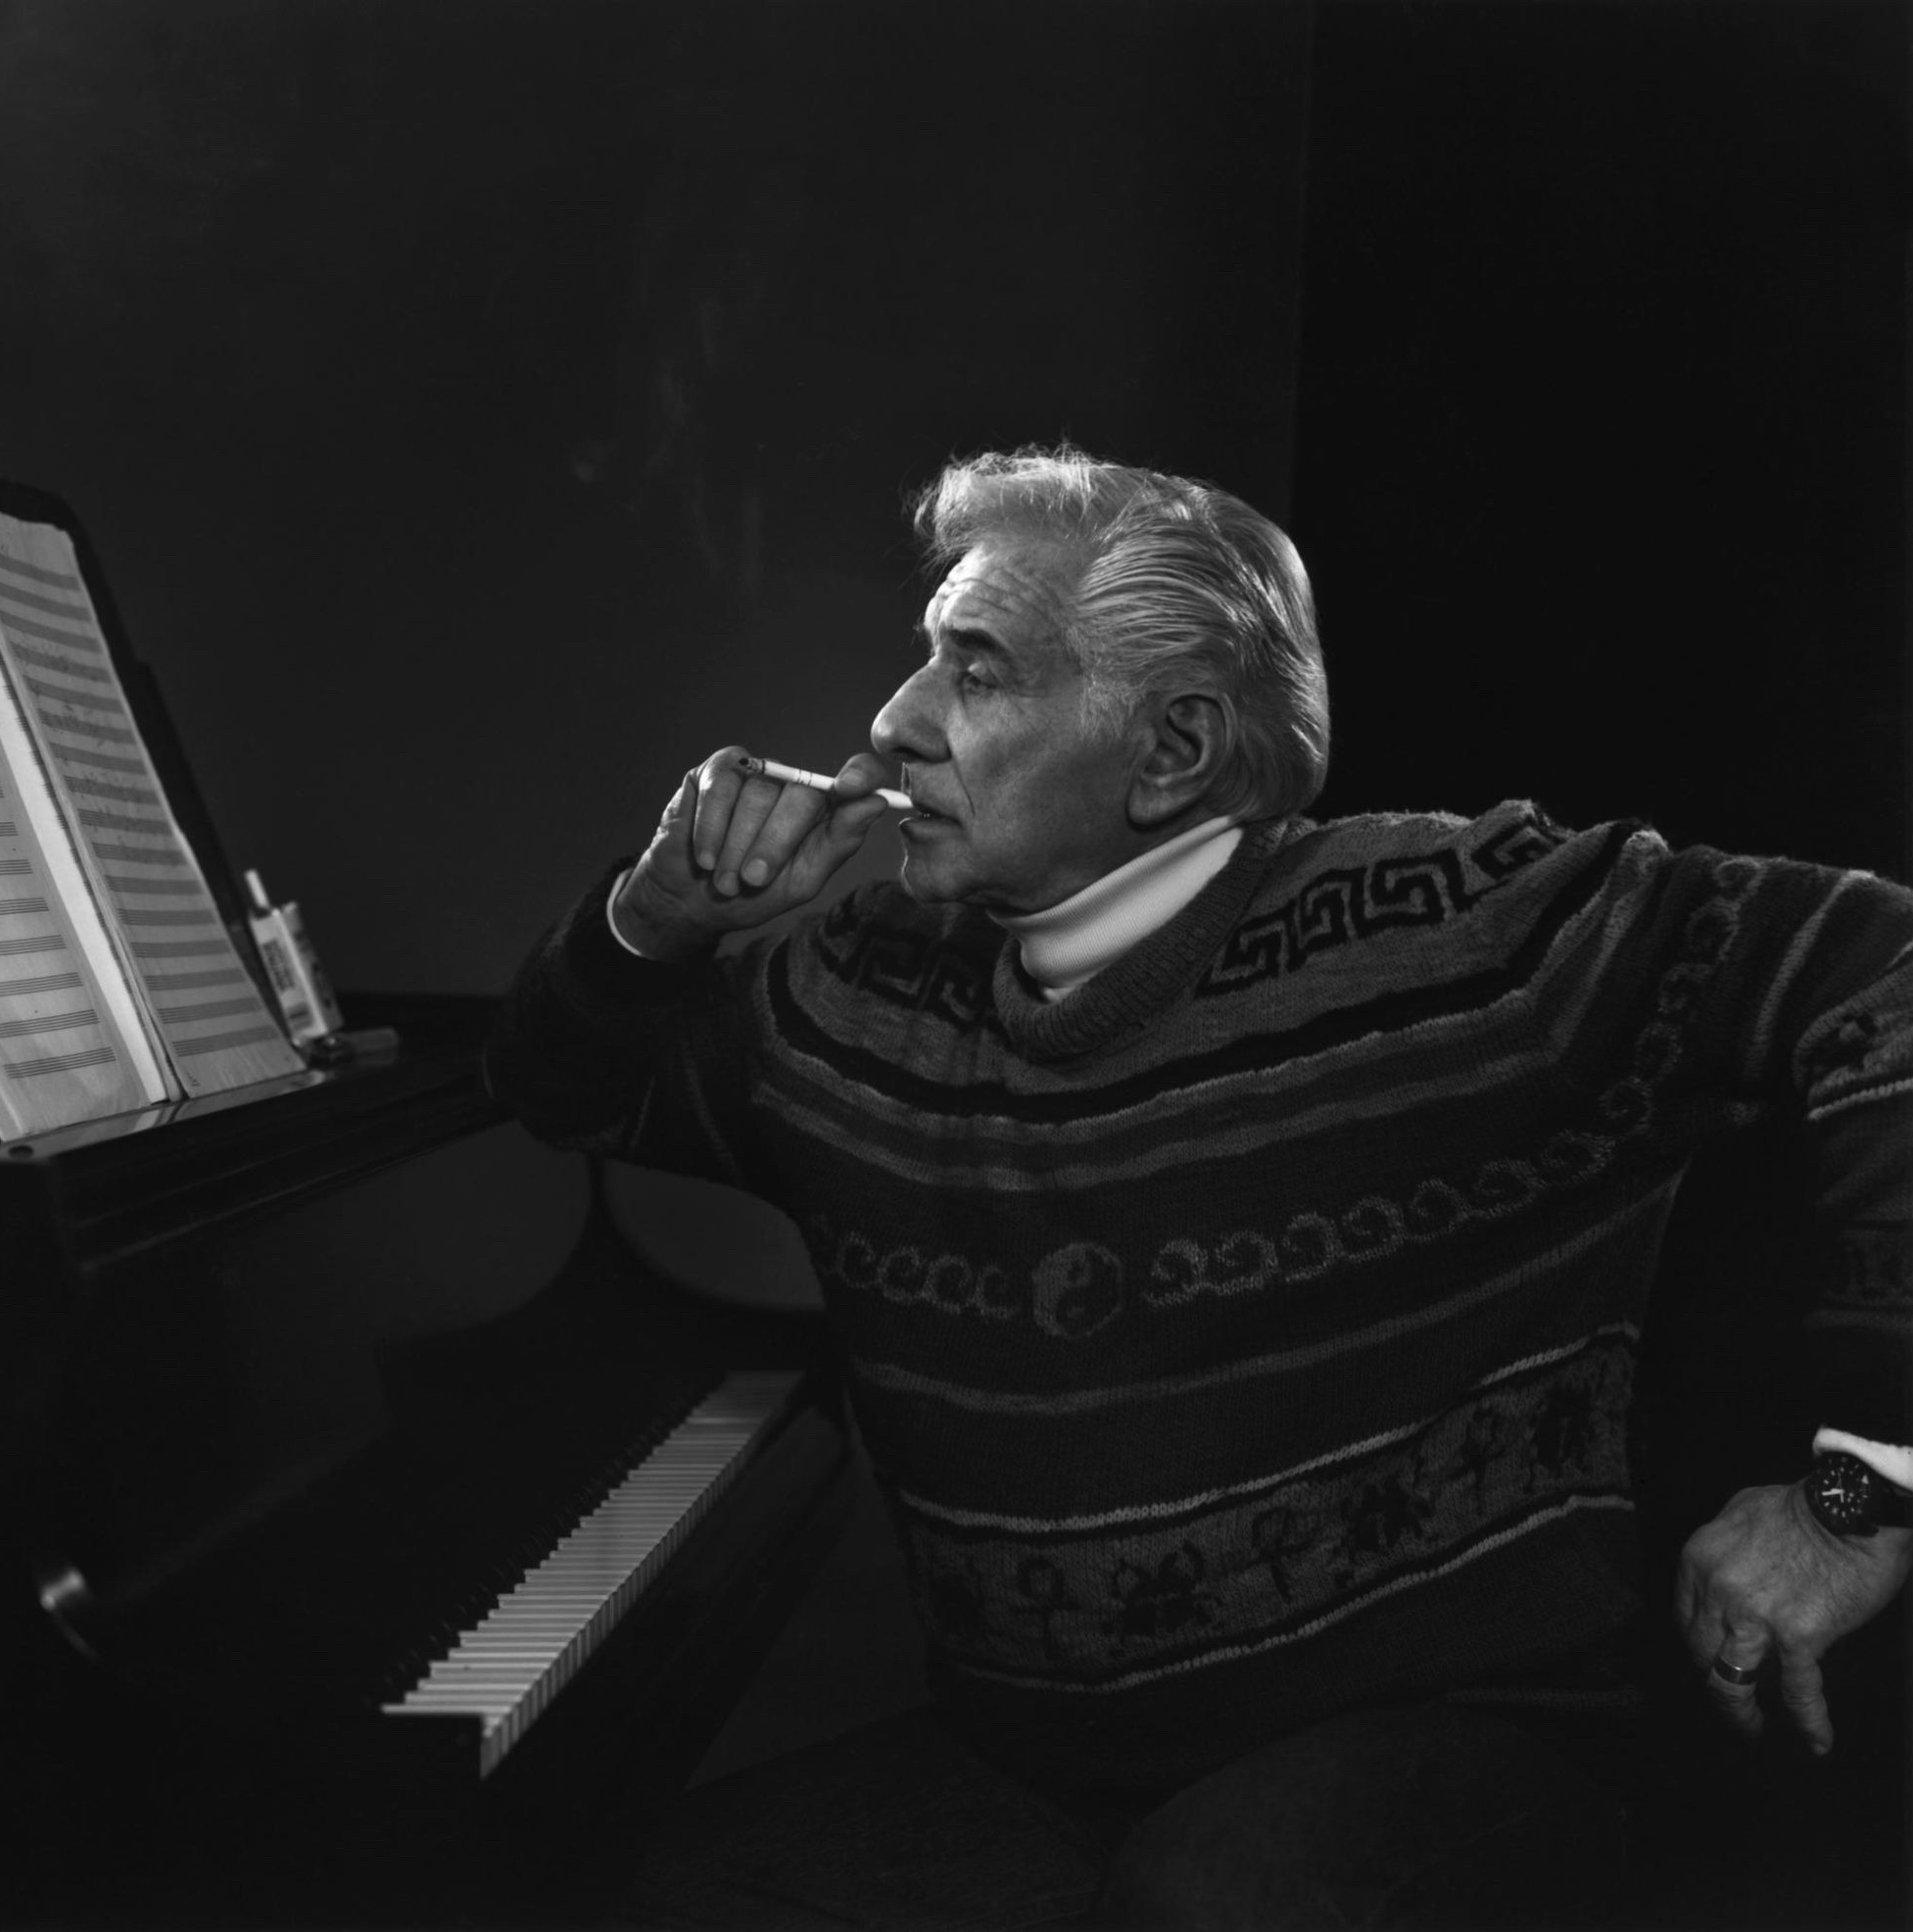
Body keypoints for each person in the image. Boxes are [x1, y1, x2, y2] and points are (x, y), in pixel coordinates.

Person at [488, 446, 1912, 1928]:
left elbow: (1894, 971)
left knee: (1214, 1903)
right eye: (925, 659)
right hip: (1027, 1770)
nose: (892, 723)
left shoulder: (1468, 930)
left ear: (1169, 751)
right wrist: (649, 919)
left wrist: (1859, 1490)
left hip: (1456, 1746)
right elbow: (565, 1088)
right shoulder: (854, 990)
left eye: (975, 674)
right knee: (643, 1895)